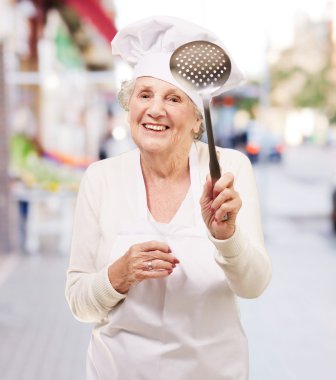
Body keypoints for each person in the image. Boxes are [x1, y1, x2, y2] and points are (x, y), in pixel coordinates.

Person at [65, 15, 272, 380]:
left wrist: (227, 237)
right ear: (130, 109)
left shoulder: (228, 170)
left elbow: (253, 286)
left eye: (173, 98)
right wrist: (118, 275)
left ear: (196, 121)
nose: (155, 109)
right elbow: (79, 302)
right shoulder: (101, 179)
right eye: (144, 95)